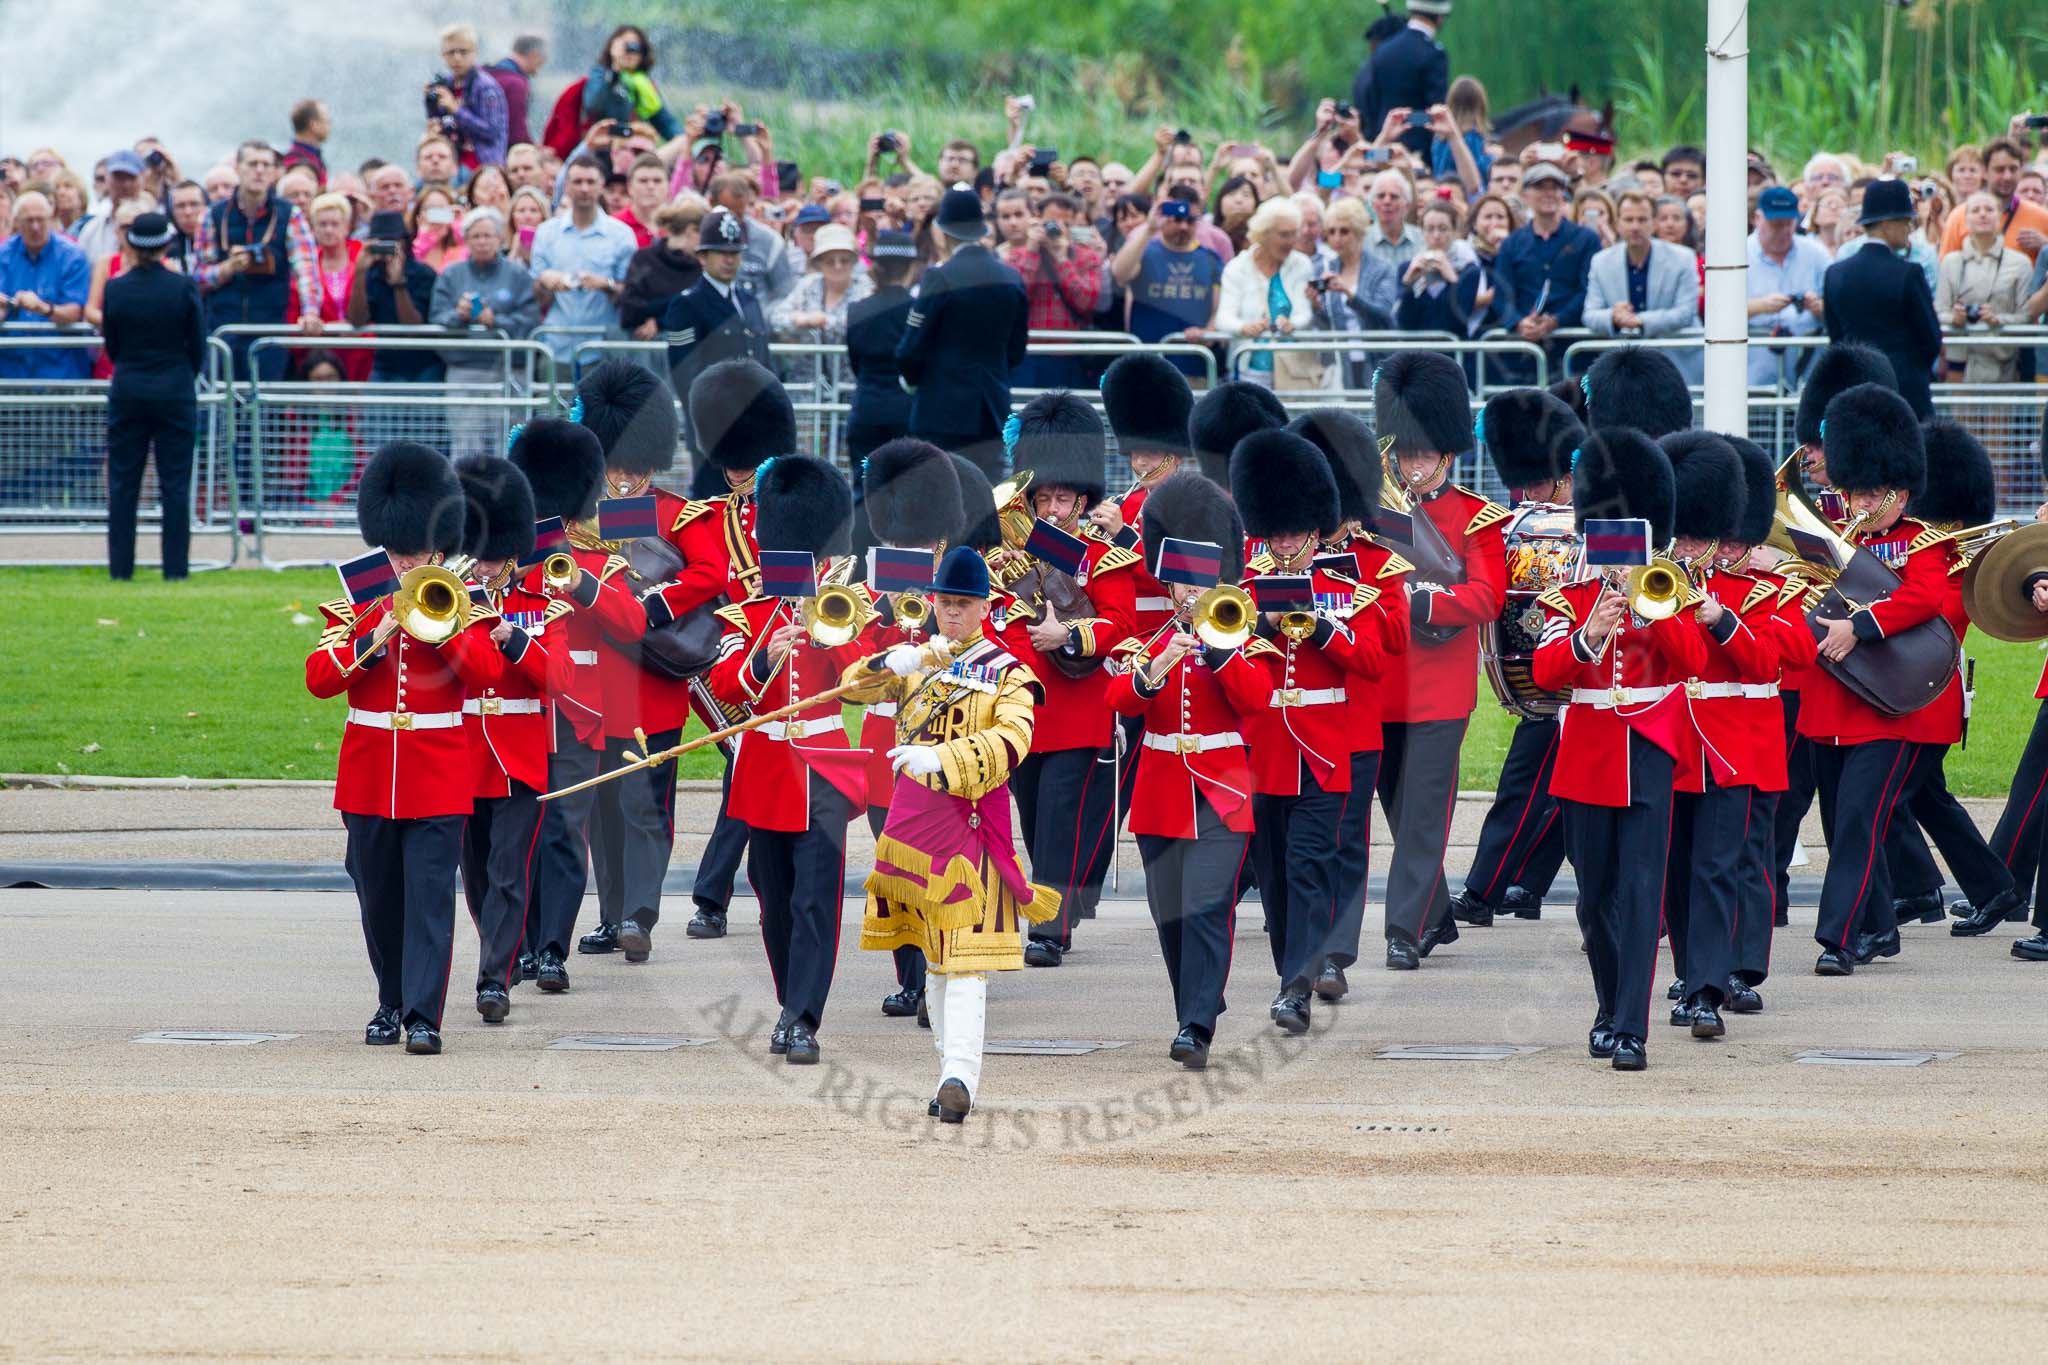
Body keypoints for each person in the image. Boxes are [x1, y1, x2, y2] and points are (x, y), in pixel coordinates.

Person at [843, 544, 1056, 1119]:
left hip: (971, 826)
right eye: (944, 603)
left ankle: (960, 1075)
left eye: (963, 604)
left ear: (985, 607)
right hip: (912, 833)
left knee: (965, 957)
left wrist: (946, 761)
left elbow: (1016, 739)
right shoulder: (921, 660)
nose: (952, 613)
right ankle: (946, 1070)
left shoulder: (1008, 673)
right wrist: (888, 665)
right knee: (935, 956)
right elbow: (848, 690)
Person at [306, 442, 503, 1056]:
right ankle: (389, 1001)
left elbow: (485, 672)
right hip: (369, 774)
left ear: (438, 550)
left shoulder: (461, 602)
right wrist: (377, 629)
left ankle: (423, 1015)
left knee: (427, 901)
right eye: (397, 552)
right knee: (379, 900)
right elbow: (319, 677)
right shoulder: (360, 599)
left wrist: (437, 629)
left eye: (415, 552)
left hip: (438, 773)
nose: (405, 563)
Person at [1533, 428, 1701, 1071]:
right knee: (1593, 894)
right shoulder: (1567, 597)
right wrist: (1589, 633)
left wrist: (1652, 609)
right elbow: (1547, 671)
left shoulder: (1669, 591)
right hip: (1588, 753)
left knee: (1641, 891)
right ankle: (1609, 1006)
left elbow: (1691, 660)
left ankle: (1632, 1026)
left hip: (1652, 748)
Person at [707, 456, 872, 1066]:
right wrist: (764, 652)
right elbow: (725, 683)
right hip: (764, 769)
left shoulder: (841, 605)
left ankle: (804, 1017)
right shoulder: (745, 613)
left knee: (814, 899)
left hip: (824, 766)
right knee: (773, 898)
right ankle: (788, 1002)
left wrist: (828, 631)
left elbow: (862, 681)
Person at [1106, 471, 1273, 1067]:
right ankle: (1195, 1002)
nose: (1186, 592)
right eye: (1178, 582)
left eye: (1196, 581)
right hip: (1159, 791)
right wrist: (1155, 666)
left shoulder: (1242, 635)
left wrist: (1222, 652)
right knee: (1170, 913)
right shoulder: (1150, 642)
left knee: (1208, 906)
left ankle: (1196, 1025)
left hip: (1222, 790)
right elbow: (1119, 701)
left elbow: (1257, 700)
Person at [1798, 385, 1957, 974]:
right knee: (1842, 825)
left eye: (1872, 492)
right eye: (1854, 490)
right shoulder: (1831, 543)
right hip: (1829, 702)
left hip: (1885, 709)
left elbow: (1923, 598)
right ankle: (1880, 929)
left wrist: (1860, 625)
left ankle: (1837, 937)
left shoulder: (1923, 541)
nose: (1862, 502)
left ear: (1901, 490)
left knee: (1860, 822)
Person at [1232, 428, 1386, 1030]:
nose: (1286, 545)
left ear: (1316, 532)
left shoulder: (1350, 591)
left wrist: (1322, 628)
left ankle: (1295, 986)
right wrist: (1264, 627)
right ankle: (1288, 970)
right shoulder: (1245, 593)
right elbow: (1233, 662)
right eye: (1277, 534)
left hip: (1324, 750)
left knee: (1308, 864)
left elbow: (1373, 661)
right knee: (1273, 877)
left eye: (1296, 534)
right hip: (1267, 749)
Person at [1370, 351, 1509, 969]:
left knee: (1423, 816)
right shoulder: (1376, 516)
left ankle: (1404, 930)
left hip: (1437, 691)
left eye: (1423, 456)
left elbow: (1486, 597)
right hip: (1380, 684)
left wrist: (1421, 600)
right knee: (1400, 813)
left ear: (1448, 455)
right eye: (1405, 455)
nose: (1412, 465)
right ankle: (1437, 915)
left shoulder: (1477, 517)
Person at [506, 418, 646, 991]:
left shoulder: (593, 559)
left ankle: (551, 949)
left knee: (565, 830)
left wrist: (579, 586)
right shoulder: (509, 554)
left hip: (574, 711)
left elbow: (633, 622)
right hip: (516, 708)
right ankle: (516, 943)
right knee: (519, 835)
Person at [1002, 394, 1141, 966]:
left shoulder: (1104, 556)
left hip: (1081, 706)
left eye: (1063, 498)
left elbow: (1123, 623)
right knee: (1032, 816)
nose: (1054, 508)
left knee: (1062, 820)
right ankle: (1054, 904)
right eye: (1044, 498)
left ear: (1081, 499)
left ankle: (1049, 929)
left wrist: (1071, 636)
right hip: (1024, 708)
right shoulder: (1007, 555)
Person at [1654, 432, 1775, 1040]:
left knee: (1718, 868)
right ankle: (1691, 972)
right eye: (1683, 534)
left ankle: (1706, 989)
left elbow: (1774, 661)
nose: (1691, 546)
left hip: (1729, 750)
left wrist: (1722, 620)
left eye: (1700, 535)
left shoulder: (1758, 589)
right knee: (1675, 873)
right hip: (1671, 747)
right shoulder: (1658, 586)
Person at [1449, 387, 1583, 930]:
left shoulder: (1594, 525)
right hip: (1551, 673)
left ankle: (1483, 890)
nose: (1527, 492)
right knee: (1556, 785)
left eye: (1537, 481)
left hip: (1580, 673)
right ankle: (1525, 884)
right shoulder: (1526, 523)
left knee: (1528, 784)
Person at [449, 455, 568, 1024]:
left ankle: (493, 978)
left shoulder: (540, 607)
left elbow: (561, 679)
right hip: (462, 751)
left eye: (495, 555)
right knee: (474, 874)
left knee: (507, 869)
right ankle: (502, 949)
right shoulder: (448, 601)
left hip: (519, 753)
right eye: (480, 553)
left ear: (514, 554)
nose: (487, 564)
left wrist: (515, 640)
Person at [852, 439, 966, 1021]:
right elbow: (854, 660)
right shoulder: (875, 580)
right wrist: (885, 619)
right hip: (883, 742)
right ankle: (911, 978)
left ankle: (941, 970)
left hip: (944, 736)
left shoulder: (962, 570)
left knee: (940, 862)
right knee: (894, 863)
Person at [896, 185, 1029, 481]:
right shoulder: (1011, 278)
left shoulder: (940, 276)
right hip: (991, 407)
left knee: (939, 498)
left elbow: (911, 348)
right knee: (986, 498)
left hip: (940, 409)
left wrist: (911, 378)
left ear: (943, 230)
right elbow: (1016, 350)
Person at [99, 212, 203, 582]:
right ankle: (175, 569)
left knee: (123, 482)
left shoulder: (115, 288)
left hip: (128, 388)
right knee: (175, 484)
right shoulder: (183, 286)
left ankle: (120, 568)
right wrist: (179, 375)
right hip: (175, 389)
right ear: (165, 244)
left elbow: (112, 344)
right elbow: (198, 345)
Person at [1824, 179, 1943, 418]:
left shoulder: (1836, 273)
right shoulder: (1909, 272)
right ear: (1887, 225)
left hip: (1854, 389)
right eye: (1905, 222)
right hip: (1905, 391)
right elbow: (1931, 338)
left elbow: (1836, 335)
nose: (1910, 228)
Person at [431, 208, 538, 457]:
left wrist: (496, 321)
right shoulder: (451, 275)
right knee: (467, 447)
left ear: (500, 239)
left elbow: (530, 321)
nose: (482, 241)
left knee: (510, 445)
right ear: (466, 240)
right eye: (476, 236)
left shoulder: (518, 275)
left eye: (488, 235)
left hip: (510, 370)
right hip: (465, 371)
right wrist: (459, 316)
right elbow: (436, 320)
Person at [663, 206, 770, 451]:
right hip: (713, 428)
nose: (729, 260)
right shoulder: (687, 304)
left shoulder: (749, 301)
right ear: (702, 257)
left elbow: (764, 361)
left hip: (754, 425)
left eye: (735, 253)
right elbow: (684, 374)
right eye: (721, 252)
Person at [1584, 188, 1701, 378]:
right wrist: (1613, 317)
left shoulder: (1683, 258)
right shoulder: (1600, 261)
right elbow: (1590, 314)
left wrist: (1640, 321)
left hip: (1677, 363)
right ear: (1617, 224)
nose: (1635, 226)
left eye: (1642, 219)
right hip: (1624, 367)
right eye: (1629, 220)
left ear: (1654, 223)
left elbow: (1686, 312)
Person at [531, 154, 636, 363]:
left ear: (601, 186)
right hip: (556, 347)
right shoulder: (546, 233)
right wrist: (546, 281)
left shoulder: (621, 235)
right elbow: (536, 297)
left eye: (590, 182)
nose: (584, 188)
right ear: (567, 186)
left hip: (603, 348)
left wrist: (605, 284)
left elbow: (631, 295)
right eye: (578, 182)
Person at [1495, 162, 1598, 375]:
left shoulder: (1586, 239)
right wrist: (1518, 322)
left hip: (1572, 348)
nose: (1548, 193)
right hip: (1524, 351)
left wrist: (1557, 321)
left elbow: (1589, 289)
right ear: (1525, 195)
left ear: (1564, 194)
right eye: (1540, 187)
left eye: (1555, 187)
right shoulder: (1512, 243)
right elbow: (1501, 294)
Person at [1110, 186, 1225, 375]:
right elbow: (1120, 274)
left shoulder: (1211, 258)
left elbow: (1217, 309)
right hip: (1148, 365)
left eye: (1190, 221)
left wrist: (1208, 333)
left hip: (1194, 365)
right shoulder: (1145, 250)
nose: (1183, 226)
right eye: (1176, 219)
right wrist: (1149, 228)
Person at [1216, 197, 1320, 389]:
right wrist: (1244, 327)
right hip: (1249, 367)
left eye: (1293, 234)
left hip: (1293, 368)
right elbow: (1223, 318)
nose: (1291, 241)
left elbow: (1304, 312)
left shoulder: (1301, 264)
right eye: (1283, 235)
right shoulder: (1237, 268)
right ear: (1263, 234)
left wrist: (1293, 324)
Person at [1934, 191, 2034, 384]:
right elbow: (1938, 312)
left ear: (1999, 217)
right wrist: (1954, 318)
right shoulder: (1950, 262)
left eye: (1989, 209)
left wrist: (1997, 319)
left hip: (2003, 364)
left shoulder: (2020, 263)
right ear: (1965, 219)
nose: (1982, 214)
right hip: (1959, 365)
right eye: (1975, 210)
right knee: (1959, 415)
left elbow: (2026, 316)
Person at [843, 230, 920, 465]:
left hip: (866, 408)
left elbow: (855, 360)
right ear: (911, 267)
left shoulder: (857, 310)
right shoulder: (918, 310)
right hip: (907, 411)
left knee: (863, 490)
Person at [1746, 185, 1833, 389]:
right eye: (1776, 224)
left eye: (1789, 223)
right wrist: (1759, 306)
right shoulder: (1737, 255)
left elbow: (1838, 308)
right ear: (1757, 218)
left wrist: (1818, 307)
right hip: (1754, 373)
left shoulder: (1817, 254)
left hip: (1809, 372)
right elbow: (1718, 312)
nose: (1784, 231)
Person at [0, 191, 92, 381]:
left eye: (41, 220)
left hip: (60, 371)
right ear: (17, 222)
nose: (35, 227)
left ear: (51, 219)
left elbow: (74, 311)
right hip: (12, 372)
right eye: (29, 220)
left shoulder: (72, 256)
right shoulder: (3, 255)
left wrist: (41, 307)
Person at [345, 211, 440, 384]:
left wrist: (398, 284)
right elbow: (357, 321)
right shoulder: (371, 274)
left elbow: (413, 329)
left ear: (405, 242)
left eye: (393, 242)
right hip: (386, 363)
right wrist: (359, 273)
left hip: (424, 364)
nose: (387, 249)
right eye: (381, 243)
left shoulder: (424, 274)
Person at [1357, 0, 1451, 159]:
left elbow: (1374, 104)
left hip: (1382, 149)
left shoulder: (1383, 51)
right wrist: (1410, 119)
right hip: (1418, 153)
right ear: (1440, 17)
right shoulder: (1433, 54)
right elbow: (1435, 112)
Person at [1938, 138, 2048, 260]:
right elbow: (1946, 269)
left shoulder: (2041, 217)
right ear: (1984, 171)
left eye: (2013, 169)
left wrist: (2045, 246)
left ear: (2021, 170)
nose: (2007, 176)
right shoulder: (1960, 217)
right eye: (1999, 170)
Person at [768, 222, 870, 342]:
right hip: (808, 360)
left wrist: (825, 321)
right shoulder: (808, 284)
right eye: (829, 261)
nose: (837, 266)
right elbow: (776, 319)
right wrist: (801, 319)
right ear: (819, 263)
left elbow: (867, 324)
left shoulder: (866, 287)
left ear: (854, 261)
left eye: (844, 260)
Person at [619, 197, 704, 340]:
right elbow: (629, 308)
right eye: (705, 234)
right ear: (691, 231)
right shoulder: (644, 259)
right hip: (643, 349)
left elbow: (699, 311)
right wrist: (678, 302)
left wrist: (660, 322)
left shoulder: (701, 268)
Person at [1393, 200, 1481, 337]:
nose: (1436, 236)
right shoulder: (1407, 268)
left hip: (1454, 353)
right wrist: (1408, 286)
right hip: (1417, 353)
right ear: (1421, 231)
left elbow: (1458, 322)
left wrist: (1452, 279)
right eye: (1429, 229)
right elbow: (1404, 323)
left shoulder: (1469, 270)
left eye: (1443, 228)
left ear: (1454, 231)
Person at [426, 23, 508, 170]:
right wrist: (432, 108)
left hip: (483, 165)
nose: (457, 58)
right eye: (451, 53)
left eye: (463, 52)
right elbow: (444, 124)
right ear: (442, 55)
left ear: (475, 53)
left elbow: (492, 131)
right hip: (453, 164)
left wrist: (456, 110)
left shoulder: (485, 87)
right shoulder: (445, 85)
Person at [581, 25, 682, 142]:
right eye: (625, 45)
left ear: (642, 54)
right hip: (603, 144)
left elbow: (664, 121)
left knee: (681, 141)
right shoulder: (601, 74)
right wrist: (615, 71)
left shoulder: (643, 83)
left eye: (635, 47)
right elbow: (592, 104)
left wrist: (685, 140)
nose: (629, 52)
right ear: (612, 47)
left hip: (635, 145)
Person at [74, 149, 146, 263]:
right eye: (119, 178)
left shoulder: (159, 226)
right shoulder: (91, 230)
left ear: (142, 180)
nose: (126, 185)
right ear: (107, 180)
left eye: (131, 178)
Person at [487, 35, 549, 149]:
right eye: (540, 63)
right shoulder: (516, 84)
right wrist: (533, 148)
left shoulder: (487, 74)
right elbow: (516, 131)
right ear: (533, 56)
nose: (537, 72)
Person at [283, 100, 331, 188]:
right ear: (314, 125)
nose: (329, 127)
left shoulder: (313, 157)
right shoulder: (297, 162)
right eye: (327, 121)